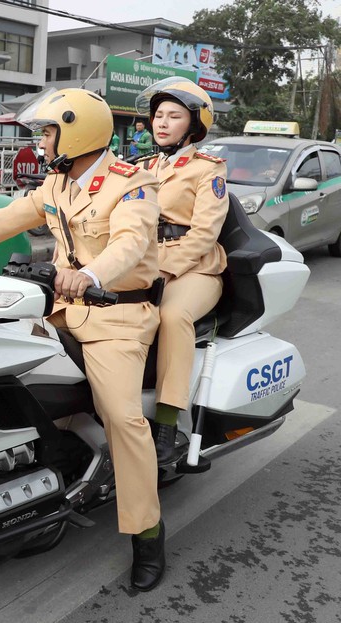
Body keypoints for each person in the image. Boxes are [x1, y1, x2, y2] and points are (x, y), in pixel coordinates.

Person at [0, 88, 167, 591]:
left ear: (76, 133)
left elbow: (130, 243)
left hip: (117, 316)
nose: (42, 143)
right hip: (55, 310)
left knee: (122, 416)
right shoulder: (57, 184)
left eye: (48, 132)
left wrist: (91, 273)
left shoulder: (131, 183)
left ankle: (148, 533)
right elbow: (3, 220)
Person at [135, 77, 228, 466]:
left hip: (197, 268)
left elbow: (205, 233)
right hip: (143, 259)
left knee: (171, 315)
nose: (163, 122)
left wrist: (167, 270)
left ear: (193, 124)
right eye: (158, 115)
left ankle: (168, 424)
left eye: (174, 115)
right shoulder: (141, 166)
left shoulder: (209, 168)